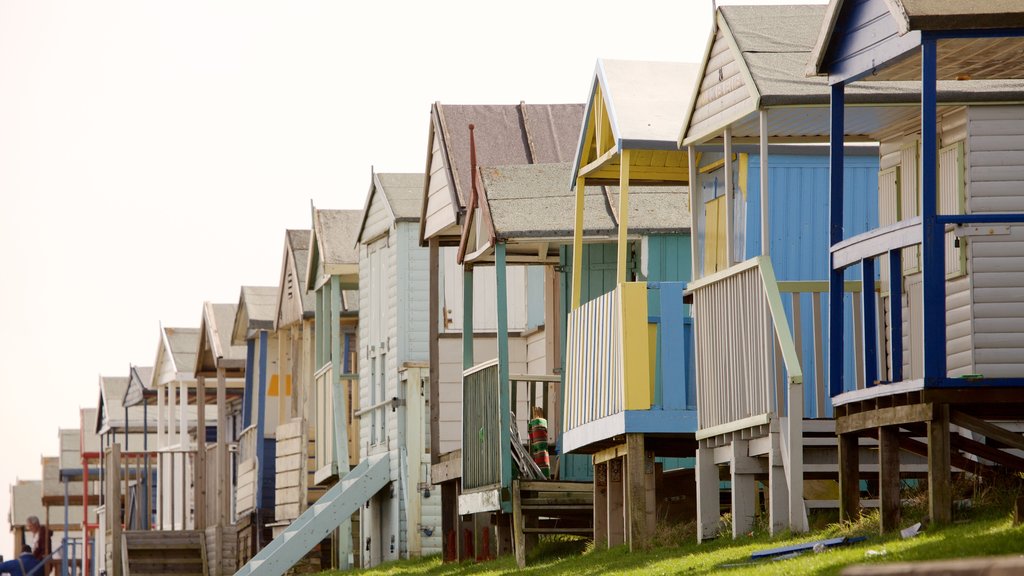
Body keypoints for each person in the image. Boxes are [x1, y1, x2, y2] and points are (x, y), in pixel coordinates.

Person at [528, 406, 551, 479]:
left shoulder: (536, 423)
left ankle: (543, 477)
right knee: (542, 456)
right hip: (540, 447)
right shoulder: (539, 423)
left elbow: (531, 433)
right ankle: (544, 477)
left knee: (541, 456)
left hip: (540, 448)